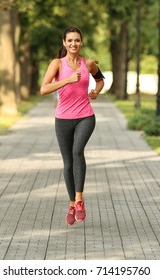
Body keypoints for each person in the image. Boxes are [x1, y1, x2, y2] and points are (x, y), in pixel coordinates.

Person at [40, 26, 105, 226]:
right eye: (70, 40)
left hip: (86, 116)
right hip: (63, 119)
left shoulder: (89, 63)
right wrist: (67, 80)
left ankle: (79, 200)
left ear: (81, 42)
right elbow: (44, 89)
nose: (73, 44)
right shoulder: (57, 64)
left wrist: (96, 91)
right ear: (64, 43)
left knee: (78, 152)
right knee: (68, 162)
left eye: (77, 40)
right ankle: (71, 204)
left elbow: (100, 80)